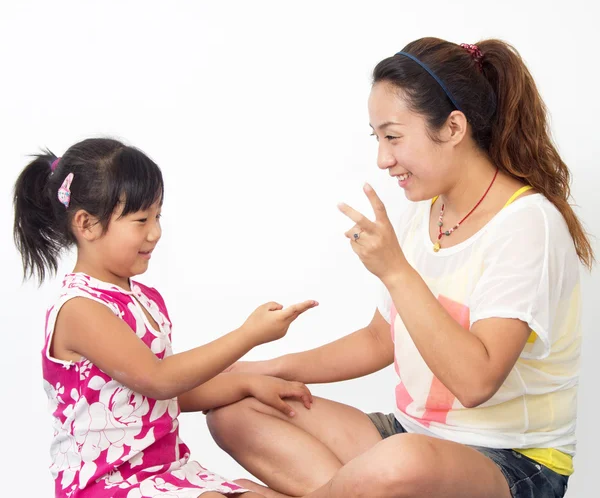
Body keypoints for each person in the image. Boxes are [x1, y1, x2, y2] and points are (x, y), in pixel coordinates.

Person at [207, 38, 593, 498]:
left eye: (393, 137)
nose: (382, 159)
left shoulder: (528, 224)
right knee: (237, 408)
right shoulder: (425, 214)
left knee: (400, 463)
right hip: (409, 437)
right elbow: (379, 338)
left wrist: (395, 271)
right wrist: (269, 369)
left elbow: (475, 383)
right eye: (378, 139)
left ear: (453, 128)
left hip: (511, 460)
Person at [13, 137, 318, 497]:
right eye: (141, 220)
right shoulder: (81, 307)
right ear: (87, 224)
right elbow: (158, 380)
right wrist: (248, 334)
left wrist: (246, 384)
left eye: (158, 216)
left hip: (167, 472)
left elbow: (162, 395)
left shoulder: (143, 299)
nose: (155, 232)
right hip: (107, 484)